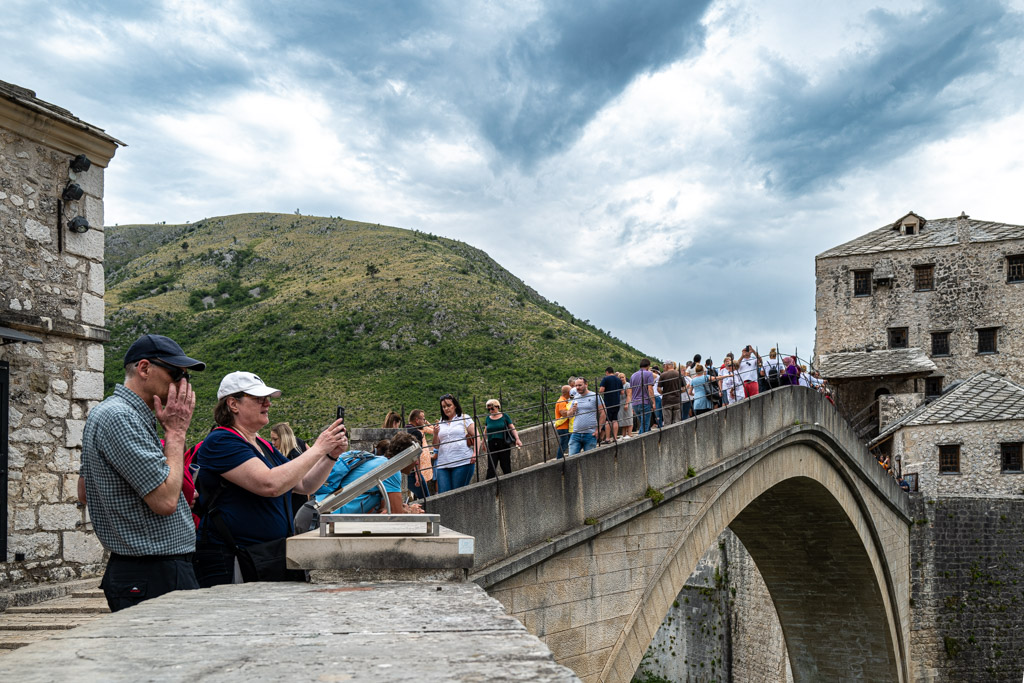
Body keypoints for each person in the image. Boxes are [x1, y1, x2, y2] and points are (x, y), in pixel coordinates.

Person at [80, 334, 206, 612]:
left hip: (146, 568)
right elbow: (164, 502)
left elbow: (84, 489)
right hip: (153, 570)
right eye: (176, 374)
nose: (182, 385)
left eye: (187, 378)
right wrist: (175, 433)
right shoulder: (121, 417)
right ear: (145, 368)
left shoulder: (116, 414)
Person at [193, 371, 348, 587]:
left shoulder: (262, 444)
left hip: (264, 554)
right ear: (233, 404)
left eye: (267, 398)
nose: (267, 404)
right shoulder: (221, 441)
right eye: (258, 398)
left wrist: (331, 455)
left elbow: (303, 485)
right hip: (234, 556)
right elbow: (270, 484)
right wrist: (319, 447)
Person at [314, 432, 424, 515]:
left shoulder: (380, 462)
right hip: (324, 518)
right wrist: (411, 512)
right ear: (406, 457)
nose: (417, 462)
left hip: (317, 512)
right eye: (415, 457)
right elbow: (396, 516)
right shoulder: (390, 471)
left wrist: (403, 508)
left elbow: (384, 511)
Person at [431, 394, 477, 493]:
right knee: (443, 495)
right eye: (444, 407)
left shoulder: (465, 418)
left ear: (455, 405)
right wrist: (435, 434)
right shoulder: (441, 422)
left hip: (462, 461)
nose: (446, 408)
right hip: (443, 463)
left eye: (449, 405)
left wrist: (475, 453)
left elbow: (477, 435)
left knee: (457, 494)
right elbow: (436, 445)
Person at [270, 422, 309, 520]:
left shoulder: (292, 457)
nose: (273, 443)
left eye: (275, 439)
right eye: (272, 439)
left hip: (293, 502)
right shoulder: (299, 444)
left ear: (284, 439)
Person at [484, 399, 521, 478]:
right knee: (491, 467)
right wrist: (483, 442)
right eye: (489, 409)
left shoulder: (504, 416)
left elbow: (512, 428)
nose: (490, 411)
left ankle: (509, 482)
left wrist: (517, 439)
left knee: (505, 465)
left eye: (492, 408)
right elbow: (486, 431)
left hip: (503, 443)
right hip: (491, 444)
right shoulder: (488, 418)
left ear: (497, 407)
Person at [568, 377, 605, 455]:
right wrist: (572, 410)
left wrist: (599, 429)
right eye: (576, 385)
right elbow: (569, 415)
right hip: (576, 433)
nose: (577, 387)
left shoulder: (595, 396)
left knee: (590, 460)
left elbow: (603, 412)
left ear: (586, 384)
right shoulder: (575, 397)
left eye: (580, 385)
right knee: (571, 460)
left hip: (590, 434)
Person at [405, 409, 433, 499]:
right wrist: (417, 474)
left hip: (404, 469)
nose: (424, 421)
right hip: (413, 471)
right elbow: (416, 454)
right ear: (417, 420)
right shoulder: (416, 433)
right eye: (423, 419)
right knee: (425, 498)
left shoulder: (405, 429)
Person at [629, 359, 657, 434]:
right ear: (648, 366)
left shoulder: (633, 375)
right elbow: (650, 389)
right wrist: (654, 402)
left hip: (635, 403)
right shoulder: (648, 374)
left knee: (645, 425)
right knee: (645, 425)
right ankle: (638, 443)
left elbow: (630, 391)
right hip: (644, 402)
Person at [598, 367, 623, 443]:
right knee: (615, 420)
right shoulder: (618, 379)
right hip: (617, 402)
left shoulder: (606, 379)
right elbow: (622, 392)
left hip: (608, 402)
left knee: (607, 421)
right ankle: (615, 438)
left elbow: (601, 390)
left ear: (607, 372)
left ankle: (608, 438)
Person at [658, 361, 684, 426]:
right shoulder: (679, 374)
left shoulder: (663, 375)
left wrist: (664, 393)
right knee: (677, 422)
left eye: (664, 366)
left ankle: (667, 436)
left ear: (667, 366)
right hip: (677, 400)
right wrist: (678, 392)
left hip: (667, 401)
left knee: (667, 423)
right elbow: (684, 388)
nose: (664, 368)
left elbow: (658, 389)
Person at [554, 386, 572, 459]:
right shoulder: (562, 401)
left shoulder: (563, 400)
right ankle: (559, 459)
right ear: (568, 392)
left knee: (565, 444)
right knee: (563, 445)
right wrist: (571, 410)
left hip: (563, 426)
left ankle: (561, 458)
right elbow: (563, 413)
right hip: (563, 427)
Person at [617, 372, 634, 438]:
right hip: (621, 403)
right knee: (622, 420)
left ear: (625, 377)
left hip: (626, 402)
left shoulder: (628, 385)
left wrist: (627, 404)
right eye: (620, 378)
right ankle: (623, 435)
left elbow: (629, 395)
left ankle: (629, 434)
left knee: (629, 419)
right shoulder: (619, 386)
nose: (621, 379)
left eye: (622, 377)